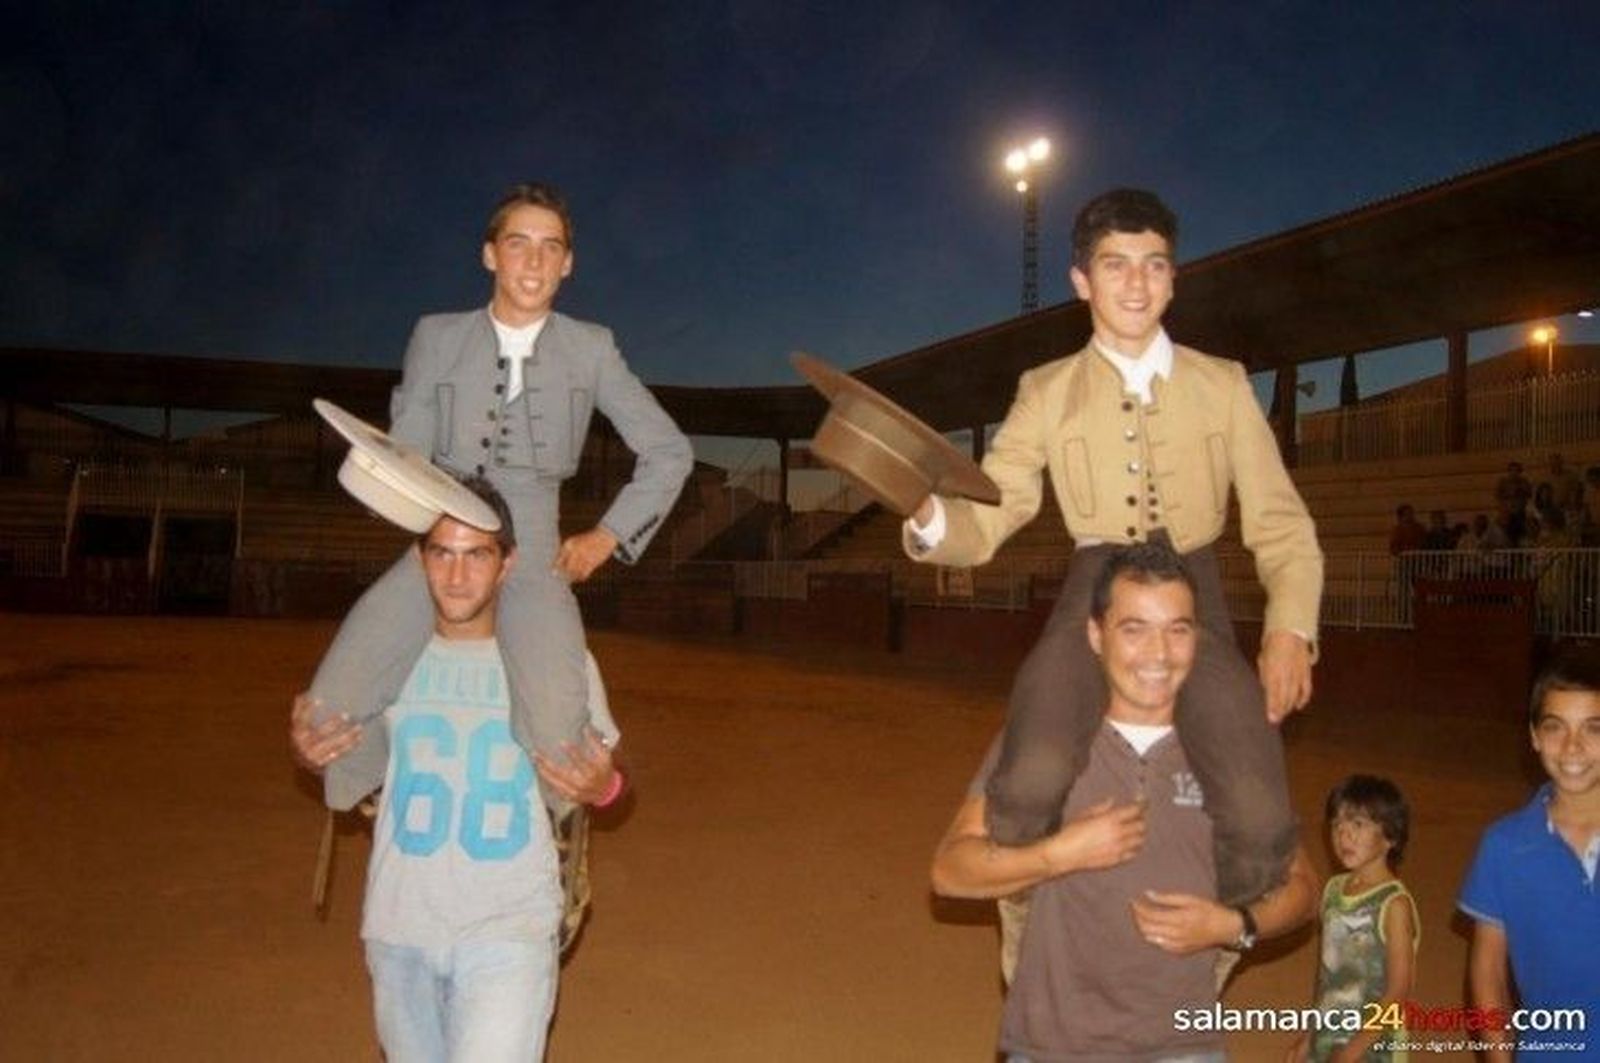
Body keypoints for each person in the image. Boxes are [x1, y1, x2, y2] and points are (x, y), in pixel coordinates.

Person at [906, 188, 1322, 906]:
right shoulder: (1046, 388)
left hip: (1195, 588)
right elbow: (999, 502)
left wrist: (1291, 628)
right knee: (1032, 771)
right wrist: (931, 521)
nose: (1136, 282)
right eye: (1115, 264)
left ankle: (1195, 948)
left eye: (1153, 265)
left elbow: (1279, 518)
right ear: (1081, 281)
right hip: (1093, 588)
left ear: (1173, 277)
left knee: (1258, 814)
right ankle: (1044, 924)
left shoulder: (1221, 383)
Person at [307, 183, 692, 814]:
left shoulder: (591, 348)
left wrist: (609, 536)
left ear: (567, 263)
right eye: (519, 244)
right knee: (328, 705)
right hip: (445, 533)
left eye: (550, 248)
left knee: (560, 739)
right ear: (491, 255)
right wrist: (391, 485)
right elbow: (408, 446)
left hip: (535, 546)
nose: (534, 262)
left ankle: (548, 840)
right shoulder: (436, 335)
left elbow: (669, 451)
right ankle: (389, 802)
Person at [931, 543, 1316, 1061]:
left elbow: (1304, 889)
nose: (1158, 654)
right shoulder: (1047, 736)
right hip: (1052, 1046)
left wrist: (1233, 926)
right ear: (1095, 634)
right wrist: (1060, 854)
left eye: (1178, 629)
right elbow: (950, 871)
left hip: (1184, 1046)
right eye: (1134, 628)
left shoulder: (1228, 750)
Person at [292, 477, 625, 1062]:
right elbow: (342, 758)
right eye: (441, 553)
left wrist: (606, 786)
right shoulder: (386, 660)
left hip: (509, 928)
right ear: (419, 560)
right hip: (400, 925)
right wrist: (307, 753)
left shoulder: (555, 663)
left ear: (507, 565)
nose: (456, 575)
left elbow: (607, 785)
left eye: (476, 555)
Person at [1458, 648, 1600, 1062]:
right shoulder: (1504, 847)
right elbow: (1488, 977)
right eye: (1556, 727)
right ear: (1534, 736)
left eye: (1593, 728)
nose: (1573, 747)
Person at [1287, 775, 1418, 1063]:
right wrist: (1311, 1036)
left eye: (1358, 824)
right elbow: (1328, 978)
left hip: (1374, 1047)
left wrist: (1354, 1051)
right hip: (1329, 1037)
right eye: (1336, 824)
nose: (1343, 835)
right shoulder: (1333, 890)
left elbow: (1398, 991)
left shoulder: (1393, 905)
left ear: (1391, 837)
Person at [1493, 462, 1532, 545]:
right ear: (1509, 471)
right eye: (1512, 470)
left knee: (1521, 535)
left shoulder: (1524, 482)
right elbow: (1497, 496)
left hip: (1520, 513)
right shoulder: (1503, 482)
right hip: (1507, 513)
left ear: (1520, 472)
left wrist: (1521, 489)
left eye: (1517, 471)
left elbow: (1529, 494)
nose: (1514, 473)